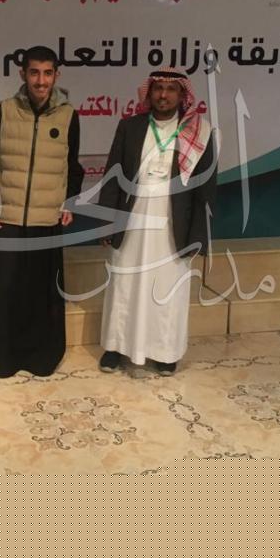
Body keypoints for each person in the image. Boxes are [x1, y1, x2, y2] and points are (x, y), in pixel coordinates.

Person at [97, 67, 216, 376]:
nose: (163, 95)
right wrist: (108, 223)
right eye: (158, 88)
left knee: (168, 289)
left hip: (173, 225)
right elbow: (112, 177)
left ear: (182, 94)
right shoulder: (130, 127)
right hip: (132, 221)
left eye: (171, 89)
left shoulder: (199, 132)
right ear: (149, 92)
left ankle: (165, 352)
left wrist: (199, 235)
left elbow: (205, 189)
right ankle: (115, 347)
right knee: (124, 284)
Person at [0, 46, 83, 378]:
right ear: (23, 74)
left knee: (43, 294)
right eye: (35, 73)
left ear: (57, 75)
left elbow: (72, 166)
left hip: (47, 220)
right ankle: (5, 357)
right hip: (11, 219)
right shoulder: (5, 111)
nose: (41, 81)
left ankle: (42, 357)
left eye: (48, 73)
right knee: (9, 291)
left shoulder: (68, 115)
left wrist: (69, 202)